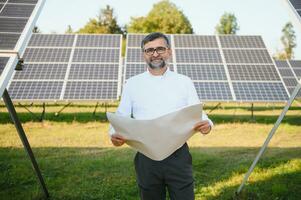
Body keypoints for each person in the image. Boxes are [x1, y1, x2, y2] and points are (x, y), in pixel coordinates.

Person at [109, 32, 213, 200]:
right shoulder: (132, 83)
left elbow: (197, 112)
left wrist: (207, 125)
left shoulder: (184, 81)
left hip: (178, 155)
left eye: (160, 49)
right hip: (146, 156)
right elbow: (121, 116)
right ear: (144, 54)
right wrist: (114, 135)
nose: (155, 53)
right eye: (149, 50)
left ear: (169, 52)